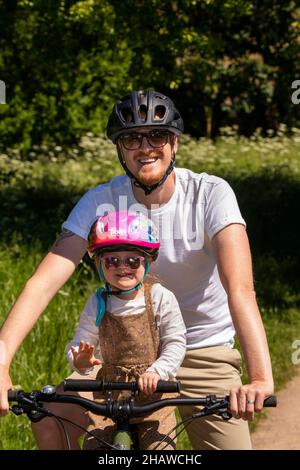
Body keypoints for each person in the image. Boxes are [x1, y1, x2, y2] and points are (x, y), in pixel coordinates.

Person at [0, 89, 274, 450]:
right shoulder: (101, 201)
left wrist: (259, 377)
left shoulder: (210, 194)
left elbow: (240, 290)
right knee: (50, 419)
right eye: (131, 138)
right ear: (120, 149)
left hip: (200, 349)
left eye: (157, 135)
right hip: (118, 353)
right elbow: (43, 282)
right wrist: (1, 361)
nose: (145, 147)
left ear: (174, 143)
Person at [66, 210, 186, 450]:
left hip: (153, 395)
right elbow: (81, 341)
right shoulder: (99, 301)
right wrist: (79, 360)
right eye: (112, 260)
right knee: (95, 447)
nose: (123, 267)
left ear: (147, 261)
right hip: (108, 396)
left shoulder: (160, 297)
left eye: (133, 260)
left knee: (160, 450)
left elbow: (176, 341)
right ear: (100, 263)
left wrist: (158, 371)